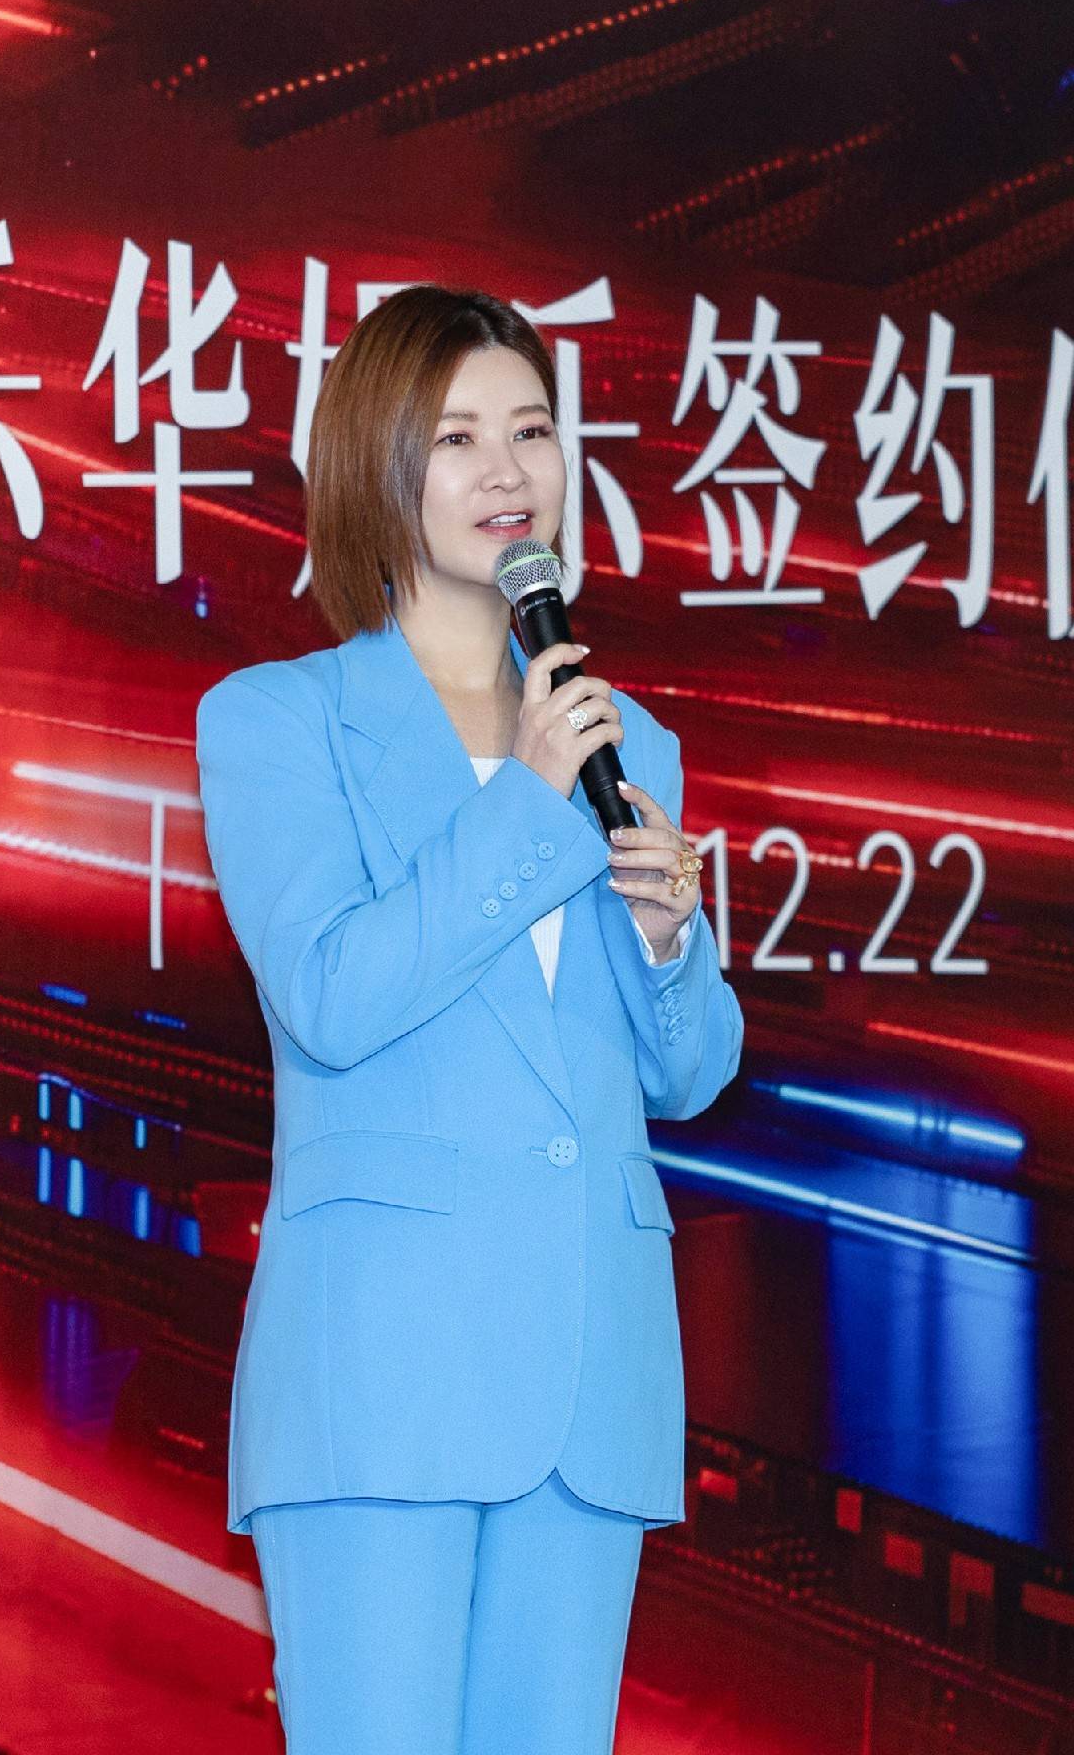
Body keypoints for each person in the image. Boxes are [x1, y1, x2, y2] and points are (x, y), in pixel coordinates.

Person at [193, 285, 746, 1753]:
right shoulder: (279, 721)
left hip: (589, 1378)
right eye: (456, 438)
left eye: (534, 431)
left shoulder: (632, 741)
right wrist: (529, 805)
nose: (509, 471)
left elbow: (688, 1073)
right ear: (378, 466)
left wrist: (670, 943)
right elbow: (332, 994)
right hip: (383, 1373)